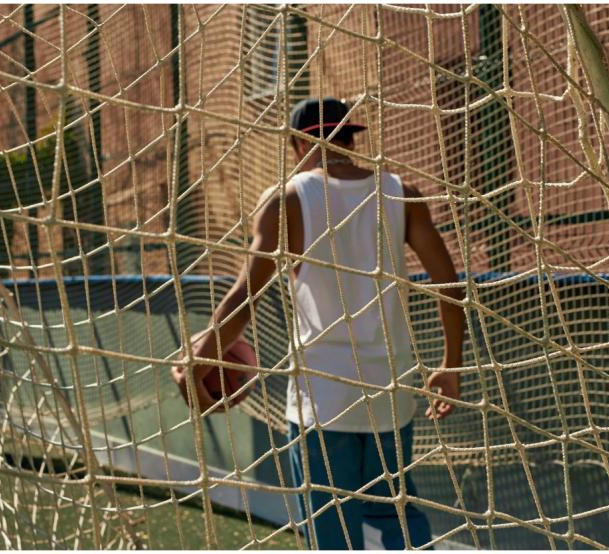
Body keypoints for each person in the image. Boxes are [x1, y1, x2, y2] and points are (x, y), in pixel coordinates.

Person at [172, 97, 465, 549]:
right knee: (395, 517)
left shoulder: (288, 199)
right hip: (389, 392)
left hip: (321, 401)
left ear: (295, 144)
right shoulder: (401, 194)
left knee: (330, 531)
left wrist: (199, 356)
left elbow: (244, 298)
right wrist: (451, 365)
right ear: (350, 140)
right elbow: (449, 285)